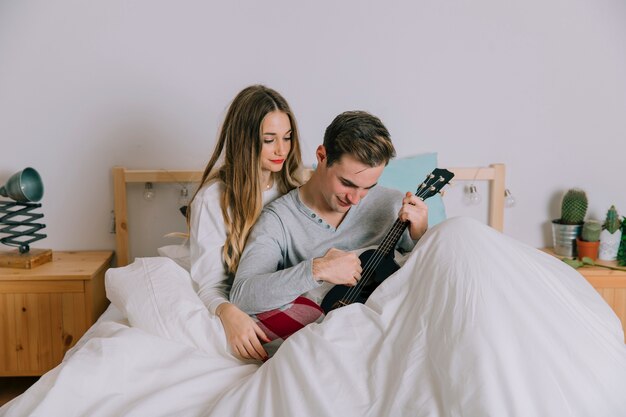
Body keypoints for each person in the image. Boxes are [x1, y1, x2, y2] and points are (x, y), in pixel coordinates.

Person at [230, 110, 428, 316]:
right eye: (346, 183)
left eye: (368, 187)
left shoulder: (394, 205)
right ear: (322, 157)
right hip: (329, 334)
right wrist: (317, 269)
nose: (355, 198)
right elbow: (242, 296)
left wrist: (421, 236)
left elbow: (427, 280)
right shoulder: (279, 219)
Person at [187, 84, 302, 361]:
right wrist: (229, 314)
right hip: (238, 302)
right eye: (269, 139)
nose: (281, 149)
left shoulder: (295, 188)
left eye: (287, 138)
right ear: (245, 140)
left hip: (288, 296)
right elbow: (211, 284)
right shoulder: (213, 199)